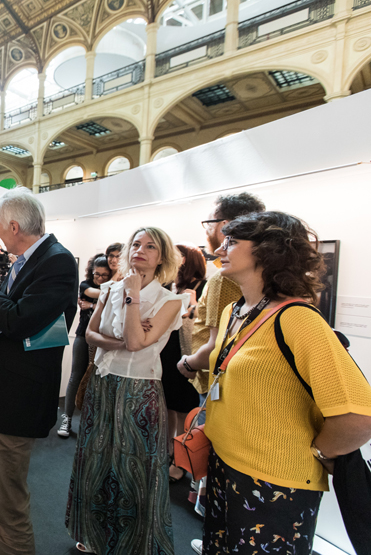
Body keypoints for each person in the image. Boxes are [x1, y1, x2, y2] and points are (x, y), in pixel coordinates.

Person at [188, 212, 371, 555]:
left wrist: (319, 452)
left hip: (274, 482)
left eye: (232, 242)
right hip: (225, 465)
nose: (219, 250)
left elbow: (359, 417)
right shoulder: (234, 311)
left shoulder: (298, 319)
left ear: (268, 250)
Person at [66, 226, 185, 554]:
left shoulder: (170, 301)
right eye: (136, 244)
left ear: (162, 258)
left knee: (132, 469)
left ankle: (132, 544)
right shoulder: (109, 290)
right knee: (96, 461)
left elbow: (137, 343)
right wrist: (120, 340)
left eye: (151, 246)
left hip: (140, 391)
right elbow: (91, 335)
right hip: (103, 383)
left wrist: (132, 296)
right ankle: (95, 535)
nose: (140, 250)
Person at [0, 187, 78, 555]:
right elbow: (0, 322)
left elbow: (16, 320)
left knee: (9, 505)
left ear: (14, 227)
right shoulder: (30, 261)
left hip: (16, 401)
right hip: (2, 394)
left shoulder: (56, 261)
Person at [175, 193, 265, 511]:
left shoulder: (225, 278)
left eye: (209, 224)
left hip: (219, 385)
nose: (217, 247)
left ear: (225, 226)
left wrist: (188, 364)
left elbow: (217, 346)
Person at [159, 244, 207, 481]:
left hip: (188, 353)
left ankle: (181, 459)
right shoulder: (168, 285)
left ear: (188, 260)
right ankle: (167, 452)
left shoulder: (204, 287)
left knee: (185, 408)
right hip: (166, 350)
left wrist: (194, 307)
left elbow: (206, 323)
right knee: (167, 404)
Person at [57, 254, 111, 438]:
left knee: (98, 380)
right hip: (83, 334)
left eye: (105, 275)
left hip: (104, 338)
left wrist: (92, 306)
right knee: (76, 376)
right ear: (91, 272)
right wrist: (105, 298)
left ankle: (93, 423)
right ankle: (67, 418)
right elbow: (96, 295)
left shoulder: (112, 288)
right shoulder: (85, 285)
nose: (100, 278)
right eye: (97, 274)